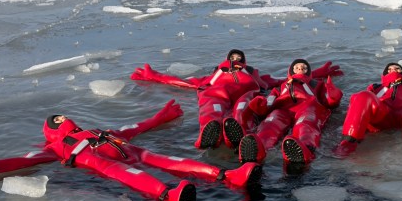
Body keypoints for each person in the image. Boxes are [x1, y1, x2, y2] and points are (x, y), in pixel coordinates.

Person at [0, 100, 262, 201]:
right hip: (103, 164)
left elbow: (133, 129)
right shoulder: (58, 146)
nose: (63, 118)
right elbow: (23, 161)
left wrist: (162, 116)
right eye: (56, 119)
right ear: (50, 129)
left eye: (62, 115)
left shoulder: (96, 130)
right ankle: (169, 195)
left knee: (174, 160)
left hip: (133, 151)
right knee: (130, 174)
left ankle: (230, 176)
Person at [131, 49, 343, 152]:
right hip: (219, 97)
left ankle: (244, 136)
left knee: (243, 111)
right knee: (215, 115)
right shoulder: (216, 74)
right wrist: (155, 76)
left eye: (239, 58)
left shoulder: (255, 74)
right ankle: (229, 140)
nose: (236, 60)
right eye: (233, 57)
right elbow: (186, 83)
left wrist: (319, 75)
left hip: (295, 106)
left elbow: (288, 82)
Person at [238, 59, 343, 167]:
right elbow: (270, 101)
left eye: (304, 67)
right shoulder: (281, 87)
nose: (300, 69)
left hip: (307, 108)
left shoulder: (317, 84)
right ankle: (258, 145)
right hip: (282, 109)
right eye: (297, 67)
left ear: (308, 72)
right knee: (271, 123)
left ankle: (306, 146)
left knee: (306, 124)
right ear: (291, 71)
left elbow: (329, 101)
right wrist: (260, 106)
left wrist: (333, 94)